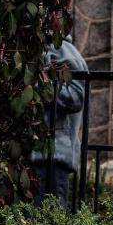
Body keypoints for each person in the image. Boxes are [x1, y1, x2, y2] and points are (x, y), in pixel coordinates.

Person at [32, 35, 87, 209]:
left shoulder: (63, 51)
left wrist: (45, 87)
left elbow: (76, 97)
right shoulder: (40, 47)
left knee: (51, 218)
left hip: (54, 151)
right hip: (39, 151)